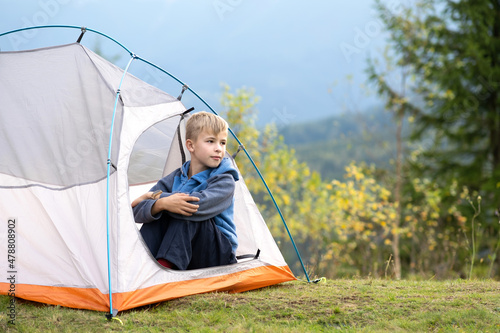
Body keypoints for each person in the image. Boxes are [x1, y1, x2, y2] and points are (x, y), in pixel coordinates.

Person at [132, 111, 239, 270]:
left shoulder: (225, 180)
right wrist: (160, 204)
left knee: (186, 211)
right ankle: (141, 267)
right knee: (158, 214)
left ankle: (165, 271)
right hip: (186, 252)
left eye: (223, 143)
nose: (218, 149)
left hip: (218, 256)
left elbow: (196, 205)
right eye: (211, 141)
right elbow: (136, 212)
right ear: (191, 145)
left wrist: (157, 198)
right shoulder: (175, 178)